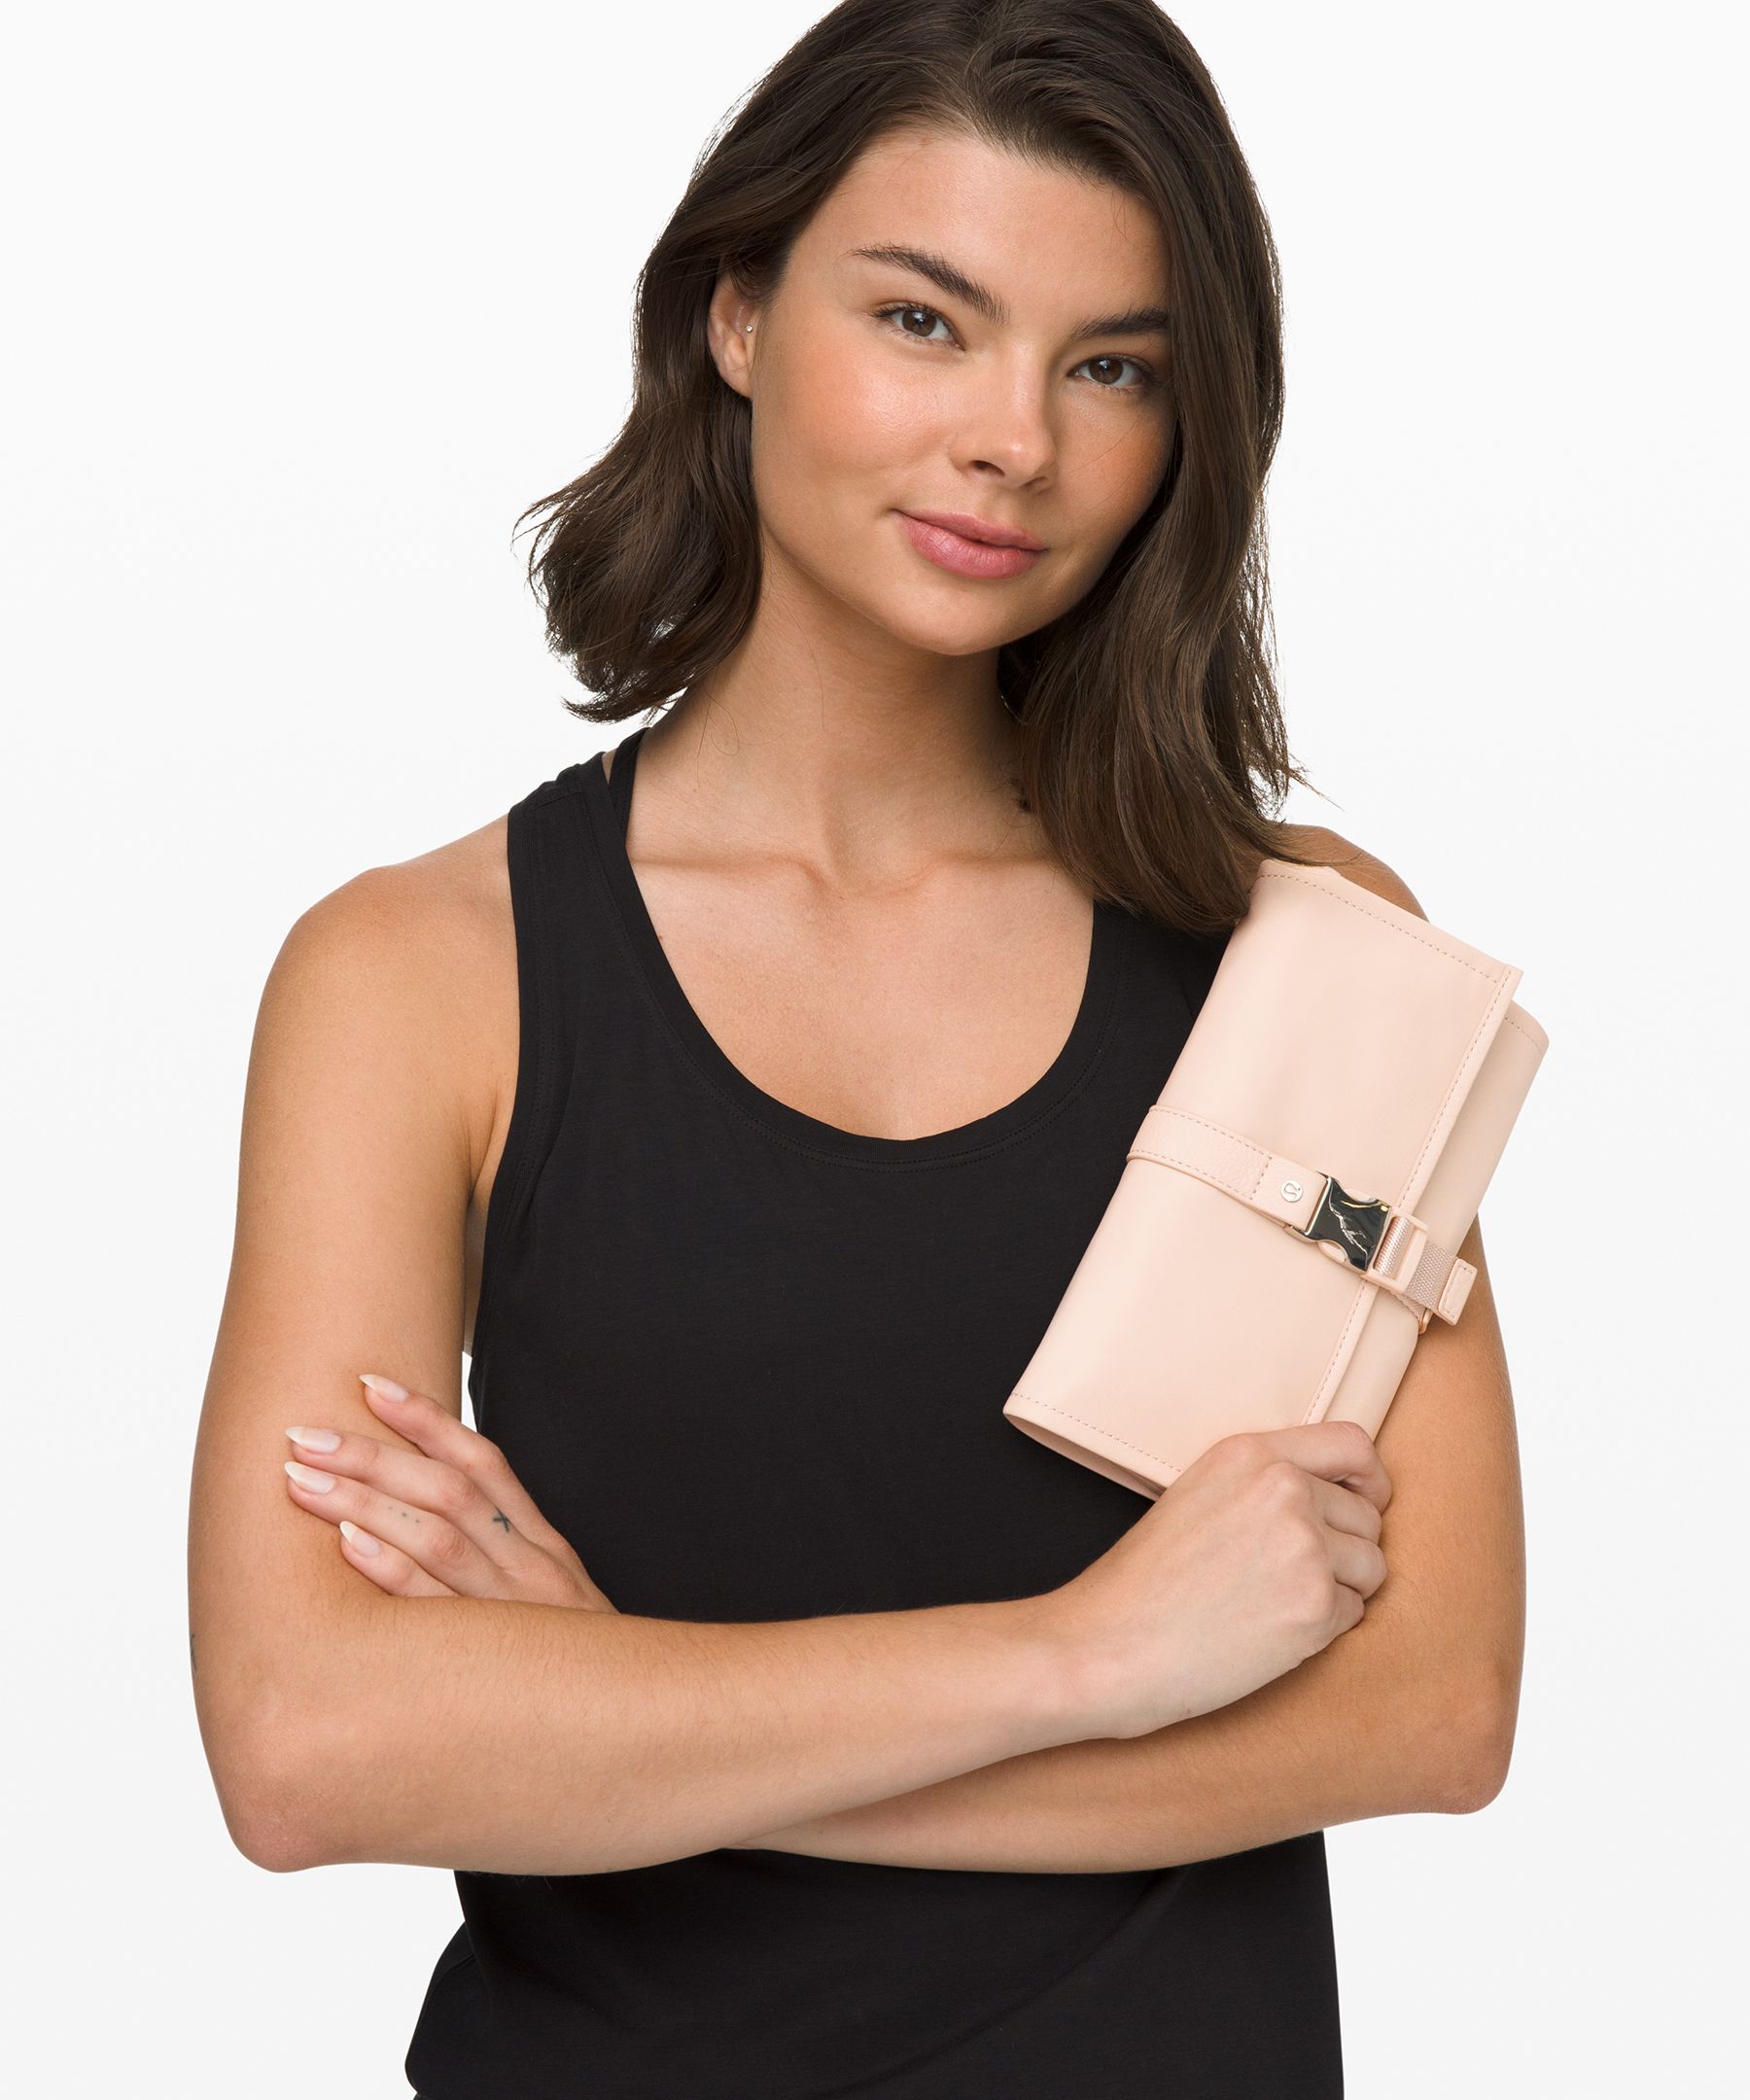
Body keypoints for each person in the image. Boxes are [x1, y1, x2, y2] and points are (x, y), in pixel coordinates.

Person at [187, 2, 1526, 2093]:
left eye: (1113, 367)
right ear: (734, 316)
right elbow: (306, 1744)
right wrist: (1085, 1657)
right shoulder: (422, 976)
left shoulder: (1306, 942)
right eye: (924, 321)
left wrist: (620, 1721)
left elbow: (1433, 1710)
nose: (1017, 441)